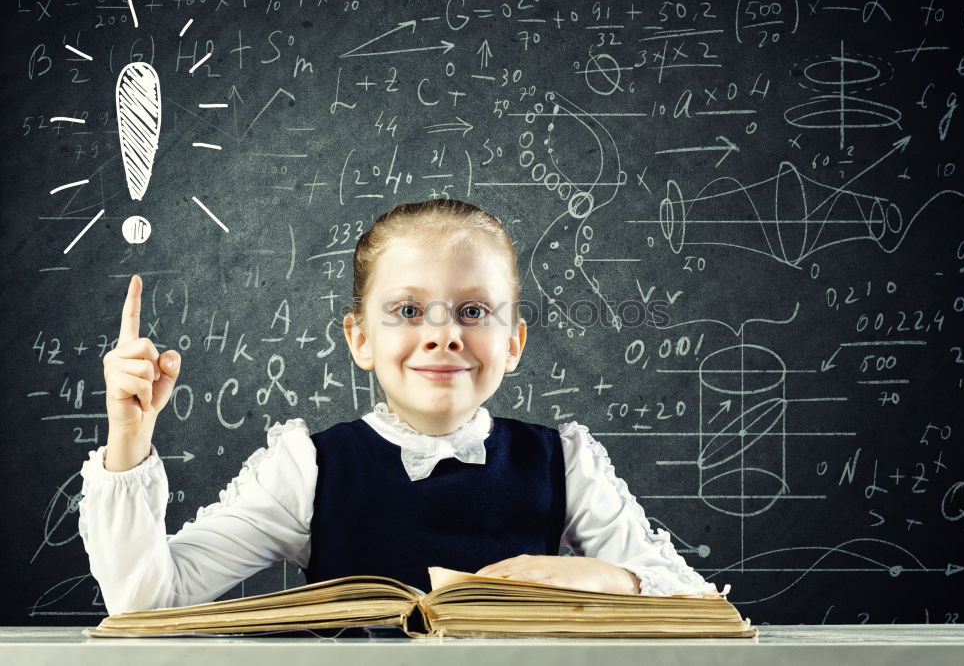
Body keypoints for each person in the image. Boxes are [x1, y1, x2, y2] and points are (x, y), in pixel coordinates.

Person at [79, 199, 718, 617]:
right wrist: (129, 438)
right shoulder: (308, 467)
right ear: (360, 339)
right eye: (408, 311)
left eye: (474, 311)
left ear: (514, 342)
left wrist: (600, 579)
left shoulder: (565, 463)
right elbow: (144, 601)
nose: (443, 334)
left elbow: (696, 605)